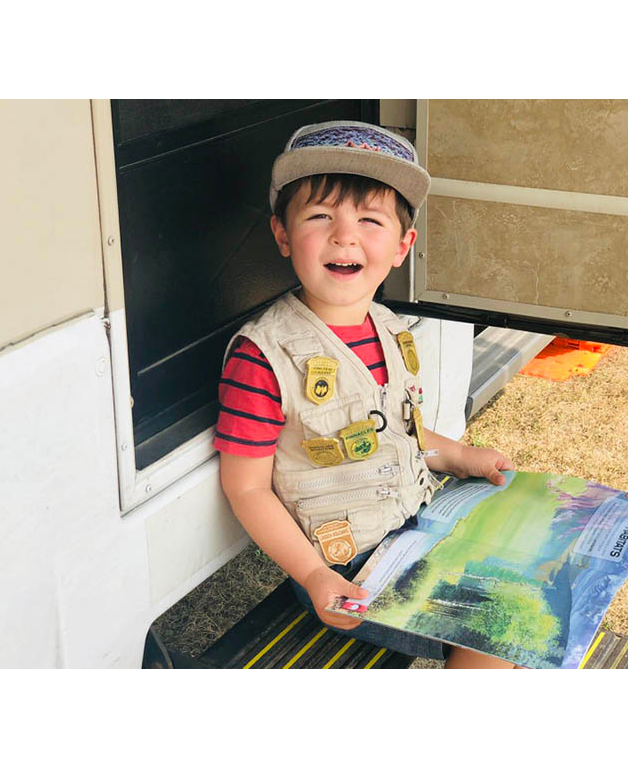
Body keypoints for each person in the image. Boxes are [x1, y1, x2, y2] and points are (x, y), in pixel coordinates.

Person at [215, 120, 517, 669]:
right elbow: (247, 488)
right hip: (348, 569)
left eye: (370, 220)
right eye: (320, 216)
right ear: (282, 235)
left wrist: (456, 455)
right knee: (495, 632)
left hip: (420, 527)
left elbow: (395, 430)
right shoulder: (263, 356)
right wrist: (312, 574)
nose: (344, 236)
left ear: (403, 246)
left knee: (528, 575)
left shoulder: (389, 328)